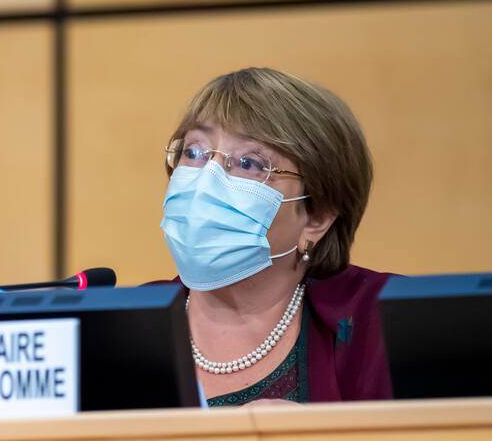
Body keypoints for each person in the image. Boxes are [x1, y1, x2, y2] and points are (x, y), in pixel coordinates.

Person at [160, 67, 392, 405]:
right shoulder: (121, 326)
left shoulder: (379, 321)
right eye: (193, 152)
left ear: (317, 216)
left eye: (249, 163)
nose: (206, 180)